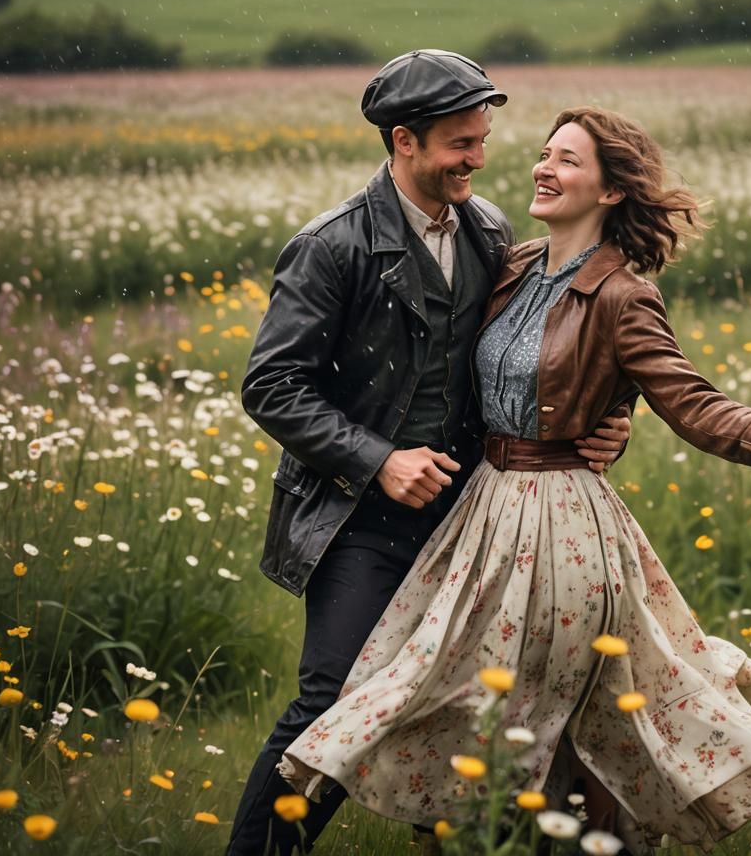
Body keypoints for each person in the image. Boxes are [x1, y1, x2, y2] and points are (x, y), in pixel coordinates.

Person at [278, 105, 751, 853]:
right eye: (545, 154)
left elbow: (686, 396)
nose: (544, 167)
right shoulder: (509, 264)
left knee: (548, 712)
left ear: (611, 192)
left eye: (568, 160)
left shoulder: (623, 294)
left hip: (563, 526)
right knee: (444, 697)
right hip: (481, 514)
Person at [229, 56, 630, 856]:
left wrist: (609, 419)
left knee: (478, 705)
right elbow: (271, 385)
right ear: (404, 141)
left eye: (482, 140)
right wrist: (379, 459)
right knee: (334, 698)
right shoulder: (331, 245)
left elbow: (535, 352)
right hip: (358, 520)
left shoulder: (489, 231)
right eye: (459, 144)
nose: (478, 160)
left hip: (476, 522)